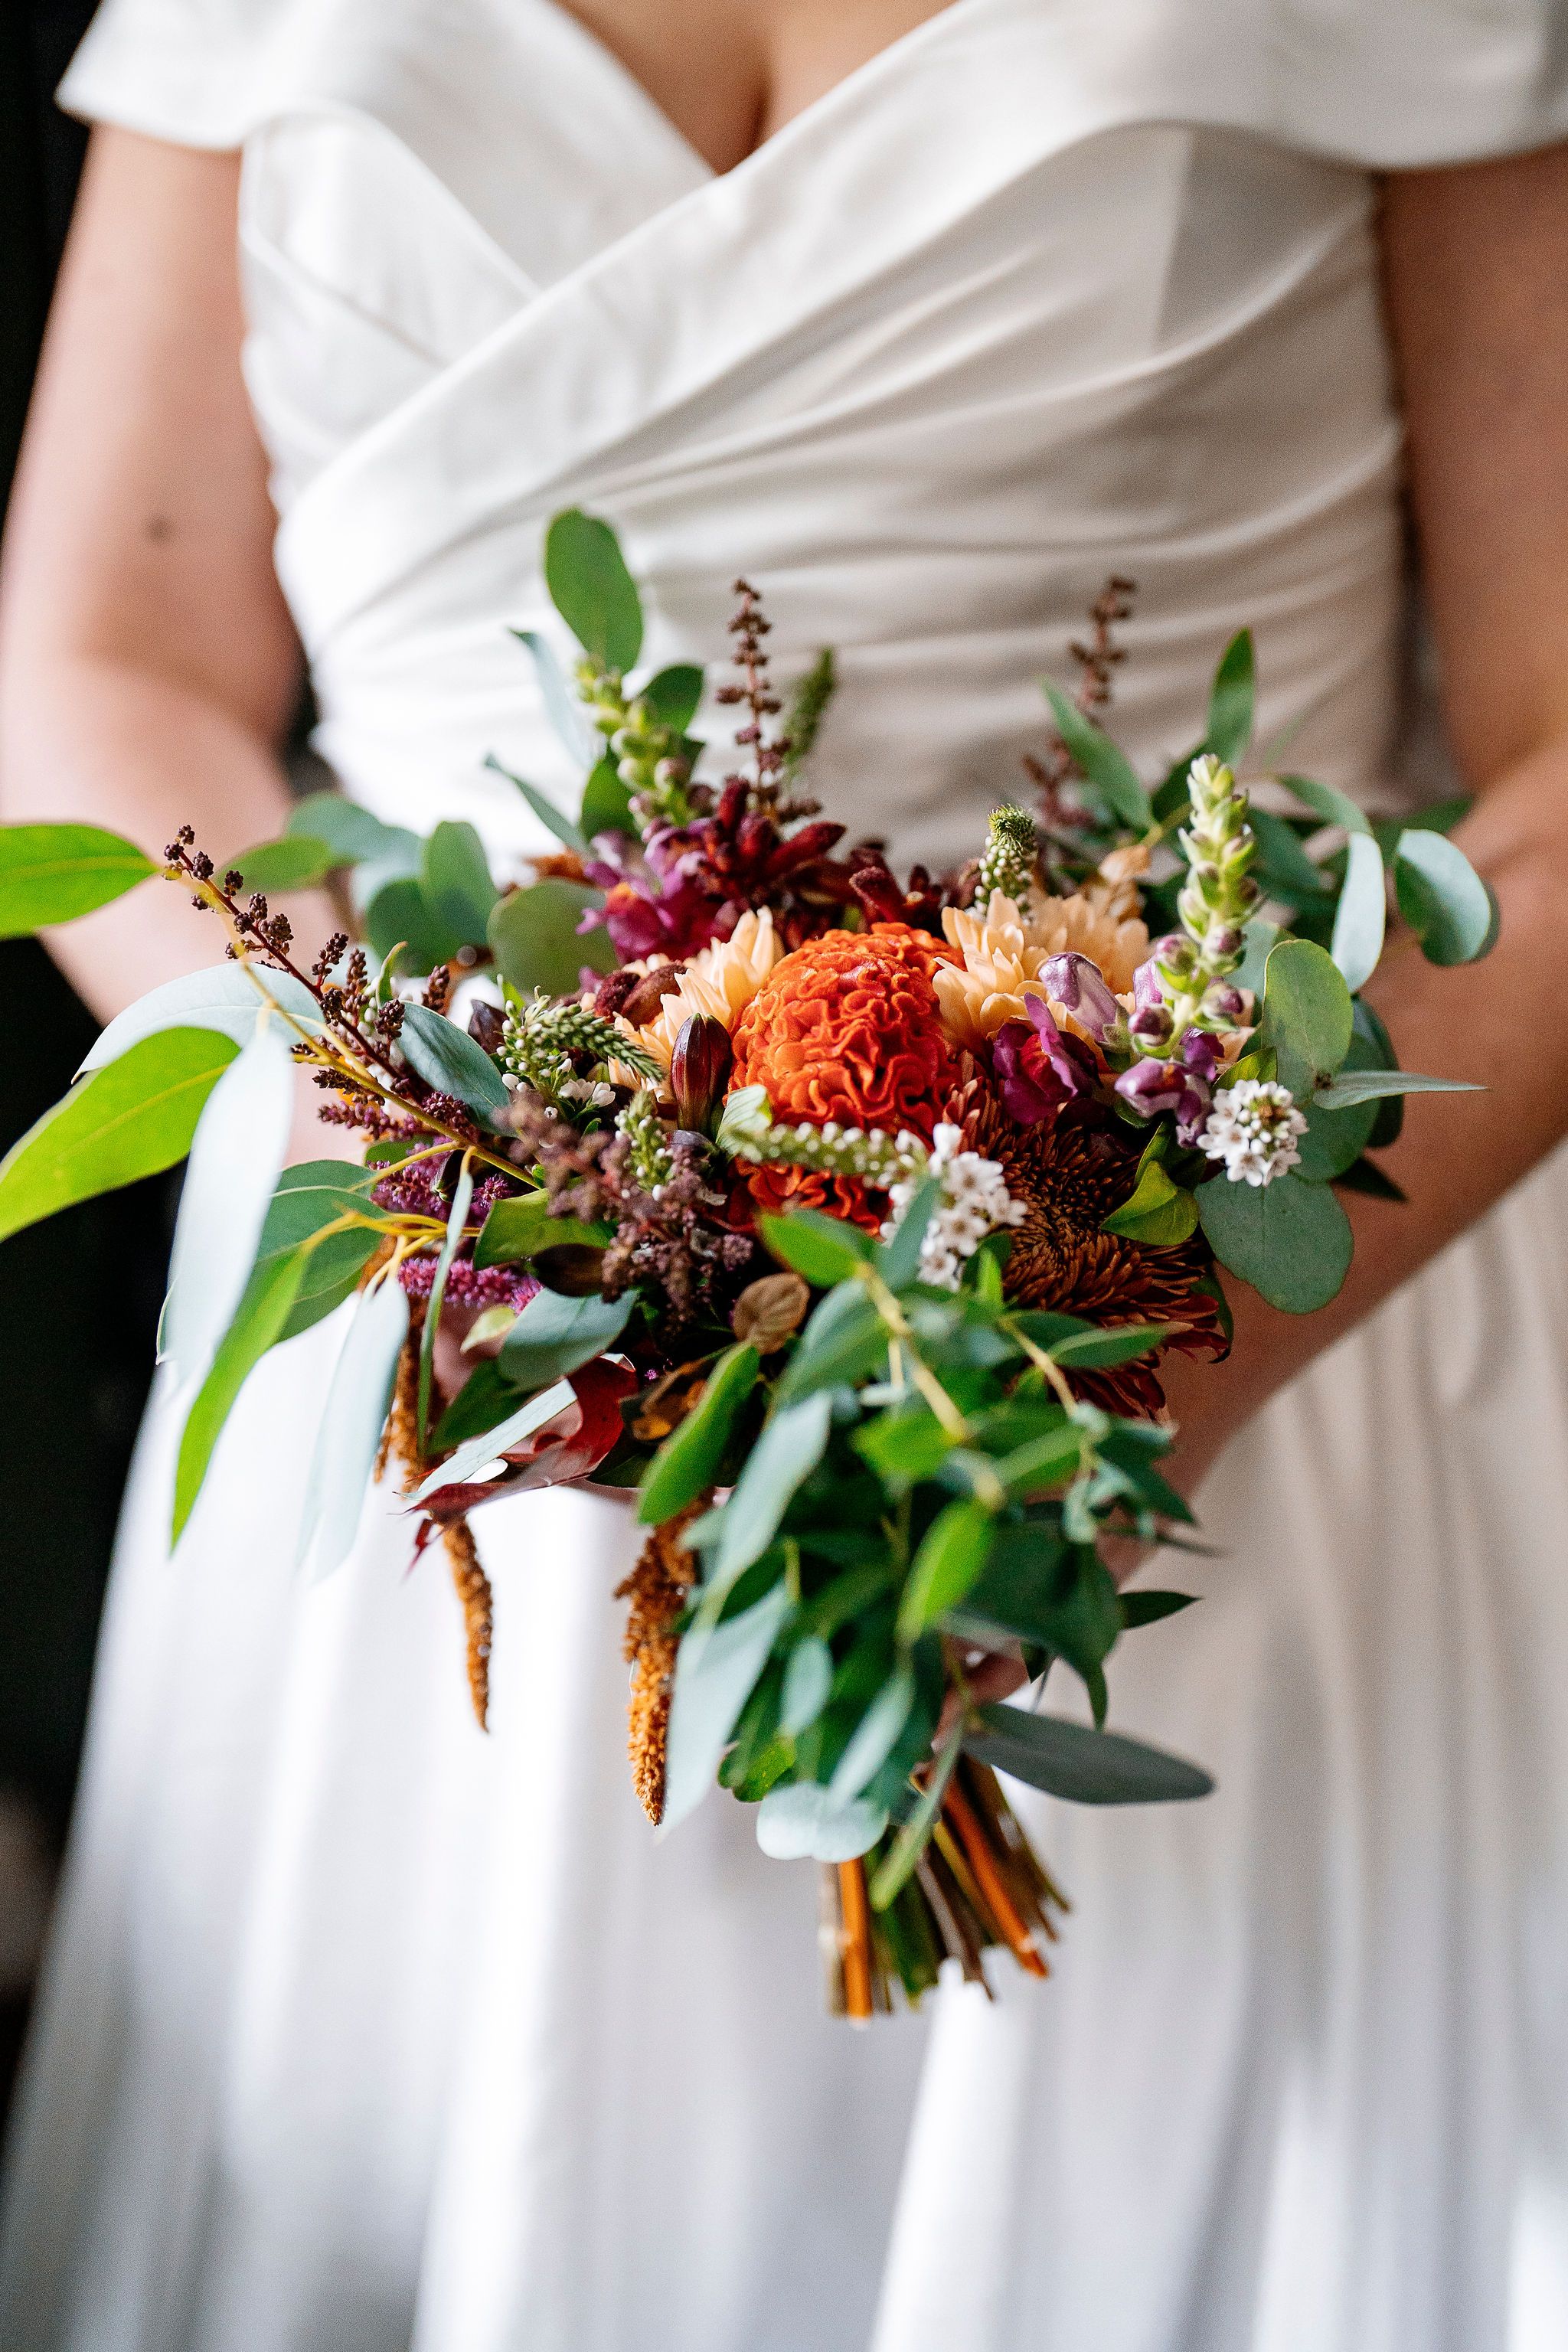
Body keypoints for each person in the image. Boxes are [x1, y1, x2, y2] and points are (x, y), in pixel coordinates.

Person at [4, 2, 1568, 2345]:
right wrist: (443, 1145)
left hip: (1230, 1363)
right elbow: (103, 654)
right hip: (465, 1404)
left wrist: (1150, 1355)